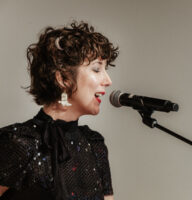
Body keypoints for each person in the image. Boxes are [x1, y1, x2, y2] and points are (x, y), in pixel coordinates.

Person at [0, 21, 119, 200]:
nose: (108, 80)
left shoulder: (94, 145)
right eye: (96, 69)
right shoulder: (20, 143)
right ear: (63, 78)